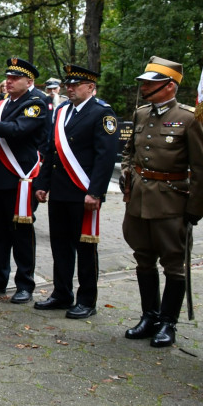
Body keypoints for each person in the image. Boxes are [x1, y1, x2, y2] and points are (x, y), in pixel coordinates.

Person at [121, 56, 203, 347]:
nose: (144, 87)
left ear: (169, 87)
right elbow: (129, 151)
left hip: (171, 201)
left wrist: (195, 207)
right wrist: (127, 174)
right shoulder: (141, 113)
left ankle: (168, 323)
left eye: (151, 83)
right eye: (144, 83)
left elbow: (200, 168)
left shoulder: (189, 117)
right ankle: (149, 316)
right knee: (143, 259)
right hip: (139, 200)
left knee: (174, 264)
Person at [33, 65, 119, 319]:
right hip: (59, 190)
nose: (69, 88)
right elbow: (52, 151)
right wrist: (42, 184)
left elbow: (105, 157)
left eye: (75, 84)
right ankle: (62, 293)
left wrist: (96, 192)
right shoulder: (61, 111)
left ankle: (87, 299)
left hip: (83, 194)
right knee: (60, 246)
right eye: (68, 84)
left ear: (90, 87)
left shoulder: (102, 113)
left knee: (85, 248)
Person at [0, 57, 50, 303]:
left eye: (14, 78)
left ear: (29, 81)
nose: (8, 82)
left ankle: (25, 284)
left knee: (20, 233)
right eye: (7, 77)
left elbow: (17, 130)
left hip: (21, 178)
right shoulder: (2, 103)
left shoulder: (36, 103)